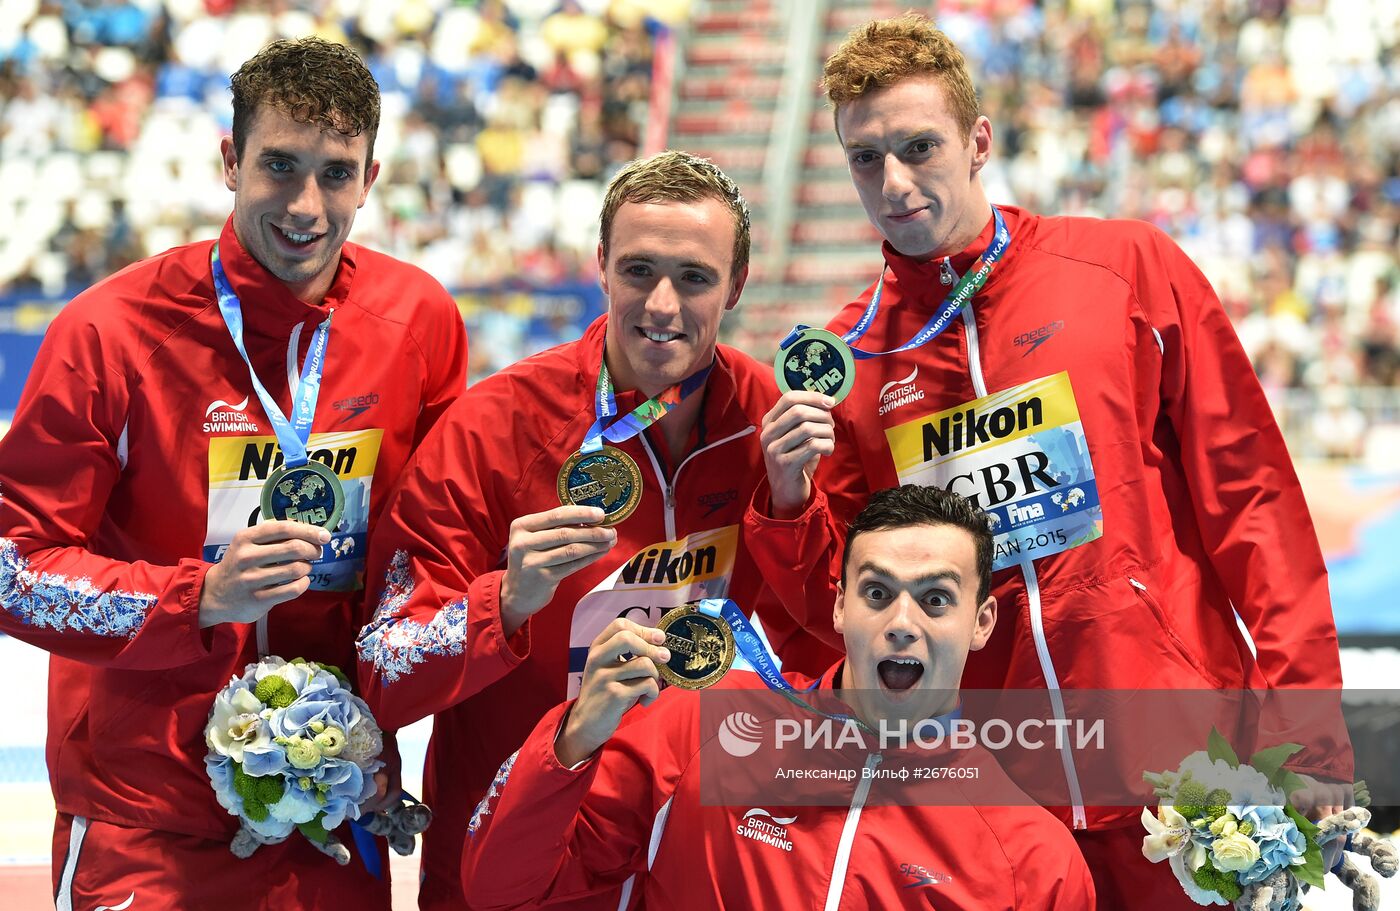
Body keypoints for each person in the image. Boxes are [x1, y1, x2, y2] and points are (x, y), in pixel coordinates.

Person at [743, 14, 1350, 909]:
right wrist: (789, 502)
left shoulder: (1122, 270)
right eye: (865, 158)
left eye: (919, 146)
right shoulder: (850, 360)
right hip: (993, 801)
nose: (895, 183)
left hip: (1186, 767)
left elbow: (1252, 498)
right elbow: (844, 604)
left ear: (978, 140)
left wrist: (1307, 728)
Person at [0, 37, 468, 909]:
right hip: (147, 821)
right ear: (229, 160)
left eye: (336, 174)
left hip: (333, 813)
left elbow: (425, 554)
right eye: (279, 166)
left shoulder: (418, 323)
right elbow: (12, 565)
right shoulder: (110, 333)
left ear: (371, 178)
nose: (305, 204)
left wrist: (372, 741)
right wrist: (198, 598)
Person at [356, 149, 836, 909]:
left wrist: (789, 509)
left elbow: (832, 646)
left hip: (700, 863)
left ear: (738, 285)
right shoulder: (496, 426)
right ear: (603, 264)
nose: (663, 305)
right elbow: (383, 668)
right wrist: (505, 601)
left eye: (696, 277)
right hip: (515, 868)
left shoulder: (772, 427)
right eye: (640, 270)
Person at [462, 484, 1095, 910]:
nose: (902, 621)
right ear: (841, 606)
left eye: (935, 599)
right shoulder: (701, 726)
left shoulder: (1033, 860)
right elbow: (500, 887)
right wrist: (573, 740)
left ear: (981, 621)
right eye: (877, 593)